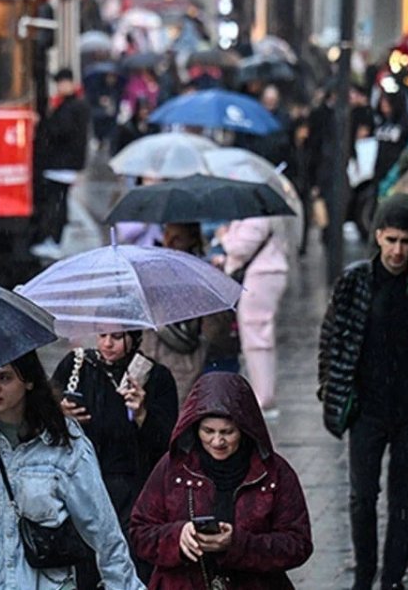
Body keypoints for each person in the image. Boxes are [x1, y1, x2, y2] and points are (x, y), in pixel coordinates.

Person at [318, 205, 408, 589]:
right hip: (366, 408)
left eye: (406, 242)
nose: (398, 250)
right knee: (362, 497)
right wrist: (331, 389)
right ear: (378, 235)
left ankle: (393, 577)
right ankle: (365, 573)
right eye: (392, 240)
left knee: (403, 498)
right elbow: (331, 337)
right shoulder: (354, 283)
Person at [0, 351, 145, 590]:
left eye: (4, 378)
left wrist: (124, 585)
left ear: (28, 381)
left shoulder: (63, 441)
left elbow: (102, 528)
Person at [130, 373, 314, 589]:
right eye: (208, 431)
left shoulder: (274, 472)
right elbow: (139, 532)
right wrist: (178, 537)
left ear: (244, 430)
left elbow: (298, 544)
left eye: (228, 432)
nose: (217, 441)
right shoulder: (172, 467)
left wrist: (238, 544)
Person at [53, 330, 179, 585]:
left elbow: (167, 445)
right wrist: (60, 413)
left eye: (117, 336)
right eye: (101, 335)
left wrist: (142, 414)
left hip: (132, 490)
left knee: (129, 565)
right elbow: (43, 419)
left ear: (133, 338)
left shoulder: (156, 377)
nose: (107, 343)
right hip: (82, 484)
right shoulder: (76, 367)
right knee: (85, 566)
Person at [216, 216, 288, 417]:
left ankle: (263, 397)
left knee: (257, 337)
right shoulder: (255, 214)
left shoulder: (257, 216)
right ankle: (262, 395)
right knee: (255, 337)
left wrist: (224, 236)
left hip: (260, 278)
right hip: (261, 275)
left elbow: (240, 248)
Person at [141, 223, 212, 402]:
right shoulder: (154, 267)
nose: (169, 242)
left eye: (177, 238)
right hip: (153, 352)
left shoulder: (198, 273)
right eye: (166, 235)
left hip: (182, 358)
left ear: (192, 239)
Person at [31, 68, 90, 260]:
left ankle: (54, 240)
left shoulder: (72, 107)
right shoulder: (75, 105)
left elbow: (60, 131)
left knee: (57, 202)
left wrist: (44, 124)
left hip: (61, 163)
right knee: (59, 201)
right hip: (65, 163)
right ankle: (54, 239)